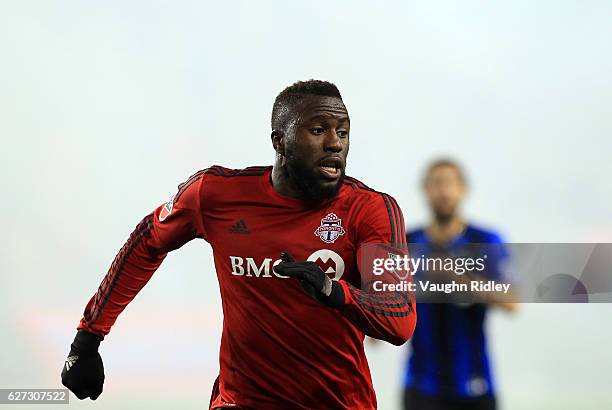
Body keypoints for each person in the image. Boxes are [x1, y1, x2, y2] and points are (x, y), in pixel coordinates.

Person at [61, 79, 416, 409]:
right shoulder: (215, 195)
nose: (335, 143)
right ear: (280, 141)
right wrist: (87, 339)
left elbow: (399, 320)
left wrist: (333, 291)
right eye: (319, 130)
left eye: (343, 132)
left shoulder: (370, 210)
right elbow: (147, 242)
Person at [402, 159, 516, 410]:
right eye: (437, 184)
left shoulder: (485, 240)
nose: (444, 192)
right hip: (421, 385)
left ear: (463, 189)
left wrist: (458, 278)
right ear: (425, 190)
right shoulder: (407, 242)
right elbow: (382, 298)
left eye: (451, 184)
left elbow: (512, 301)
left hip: (475, 385)